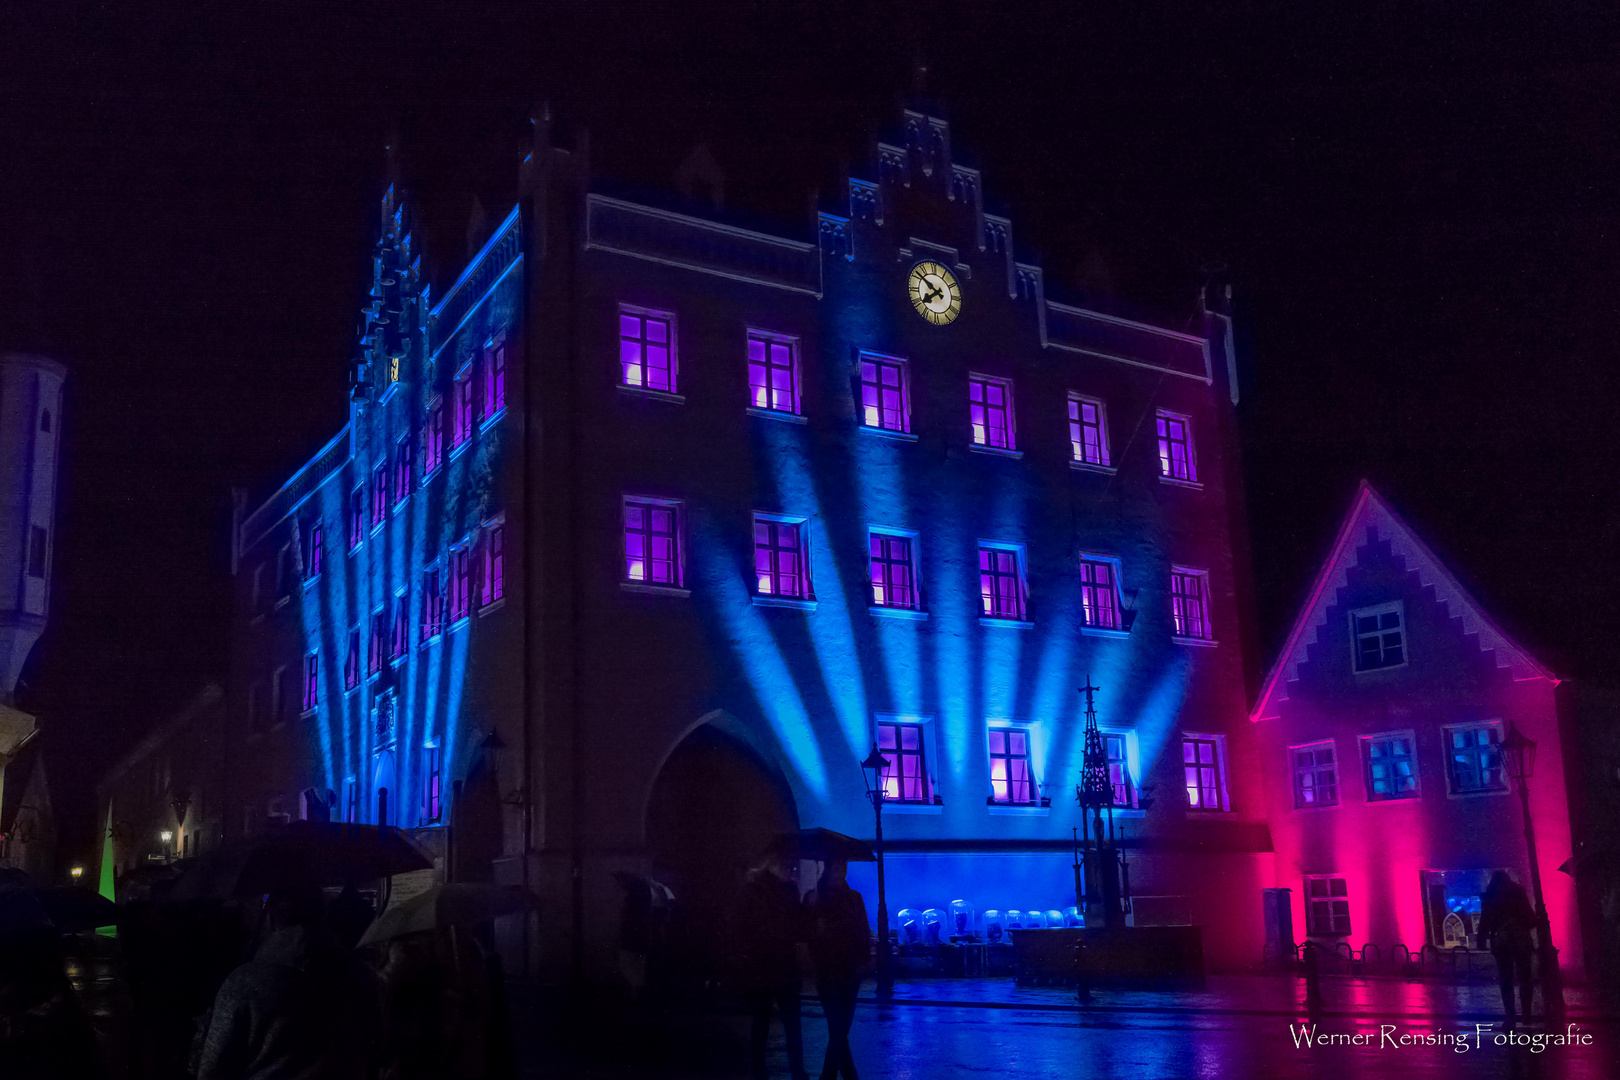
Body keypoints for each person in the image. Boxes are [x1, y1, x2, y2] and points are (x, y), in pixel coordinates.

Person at [196, 880, 382, 1080]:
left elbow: (213, 1068)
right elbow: (377, 1051)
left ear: (272, 917)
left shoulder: (246, 981)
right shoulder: (362, 975)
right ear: (323, 914)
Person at [737, 850, 808, 1080]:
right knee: (787, 1023)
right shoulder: (778, 891)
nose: (791, 870)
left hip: (766, 965)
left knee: (764, 1023)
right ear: (775, 864)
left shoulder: (755, 889)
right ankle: (795, 1071)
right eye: (788, 865)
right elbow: (795, 926)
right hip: (775, 964)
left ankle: (762, 1072)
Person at [807, 860, 871, 1080]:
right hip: (834, 970)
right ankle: (845, 1076)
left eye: (843, 867)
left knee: (839, 1030)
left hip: (843, 970)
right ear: (829, 869)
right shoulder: (848, 898)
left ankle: (829, 1077)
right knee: (839, 1029)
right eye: (838, 867)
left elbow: (863, 930)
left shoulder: (844, 898)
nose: (841, 871)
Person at [1478, 870, 1537, 1029]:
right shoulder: (1517, 892)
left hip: (1501, 941)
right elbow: (1528, 916)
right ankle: (1527, 1015)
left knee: (1505, 980)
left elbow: (1485, 919)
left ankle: (1510, 1017)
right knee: (1525, 978)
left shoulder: (1491, 895)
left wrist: (1481, 939)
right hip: (1521, 940)